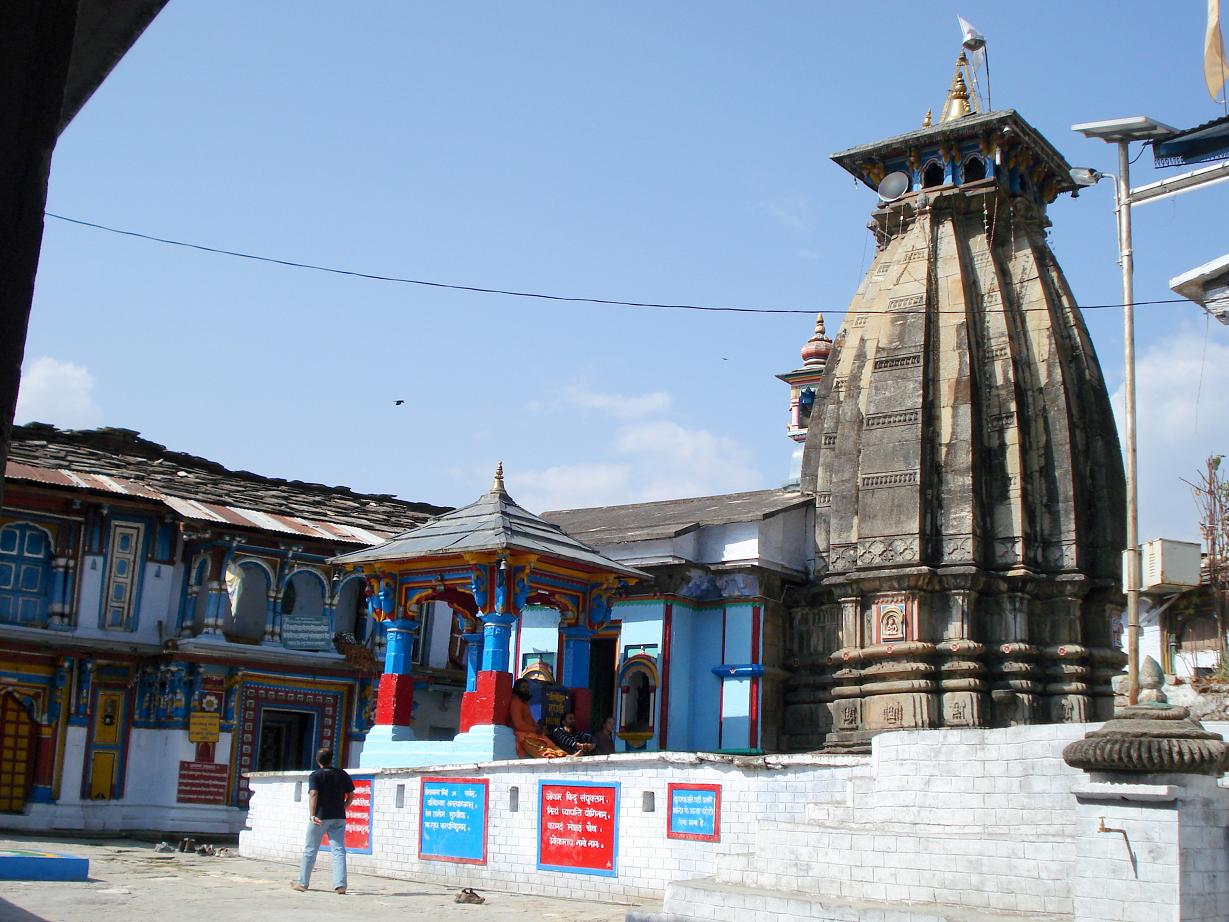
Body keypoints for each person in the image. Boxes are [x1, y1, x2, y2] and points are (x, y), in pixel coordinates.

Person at [292, 747, 354, 895]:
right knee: (339, 851)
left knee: (310, 850)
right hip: (338, 817)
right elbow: (350, 795)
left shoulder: (316, 775)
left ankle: (302, 883)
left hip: (320, 817)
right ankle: (340, 885)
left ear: (318, 760)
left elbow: (314, 794)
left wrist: (312, 814)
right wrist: (343, 807)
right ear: (331, 759)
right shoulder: (342, 774)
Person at [510, 678, 568, 758]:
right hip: (524, 736)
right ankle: (560, 757)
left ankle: (566, 756)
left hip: (533, 733)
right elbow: (518, 724)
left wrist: (538, 728)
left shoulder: (524, 702)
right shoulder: (516, 703)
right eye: (523, 687)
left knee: (550, 743)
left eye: (527, 687)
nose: (526, 689)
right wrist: (535, 729)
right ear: (517, 689)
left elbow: (530, 719)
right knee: (544, 750)